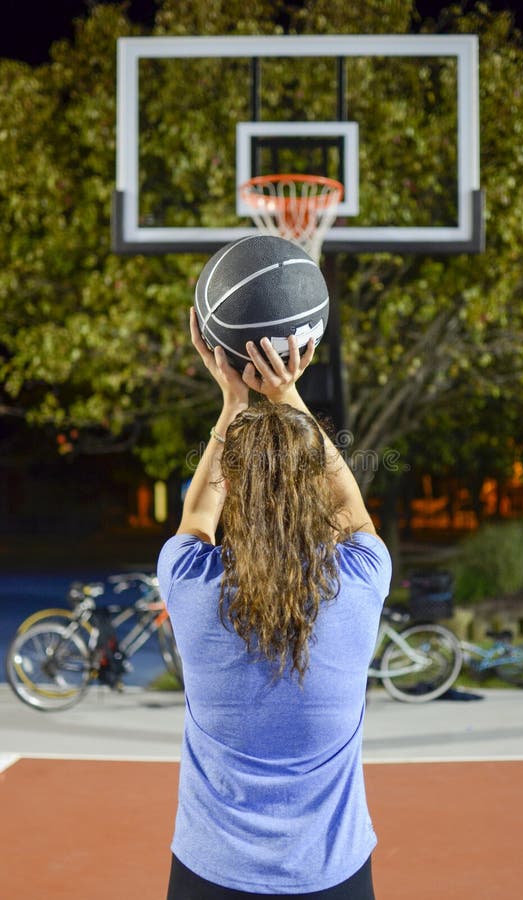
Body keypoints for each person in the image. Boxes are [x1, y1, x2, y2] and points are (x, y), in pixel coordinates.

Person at [157, 308, 392, 899]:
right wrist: (286, 395)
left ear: (231, 486)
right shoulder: (360, 582)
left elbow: (196, 520)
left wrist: (233, 402)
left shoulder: (190, 584)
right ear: (312, 484)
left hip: (211, 874)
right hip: (331, 875)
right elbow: (355, 512)